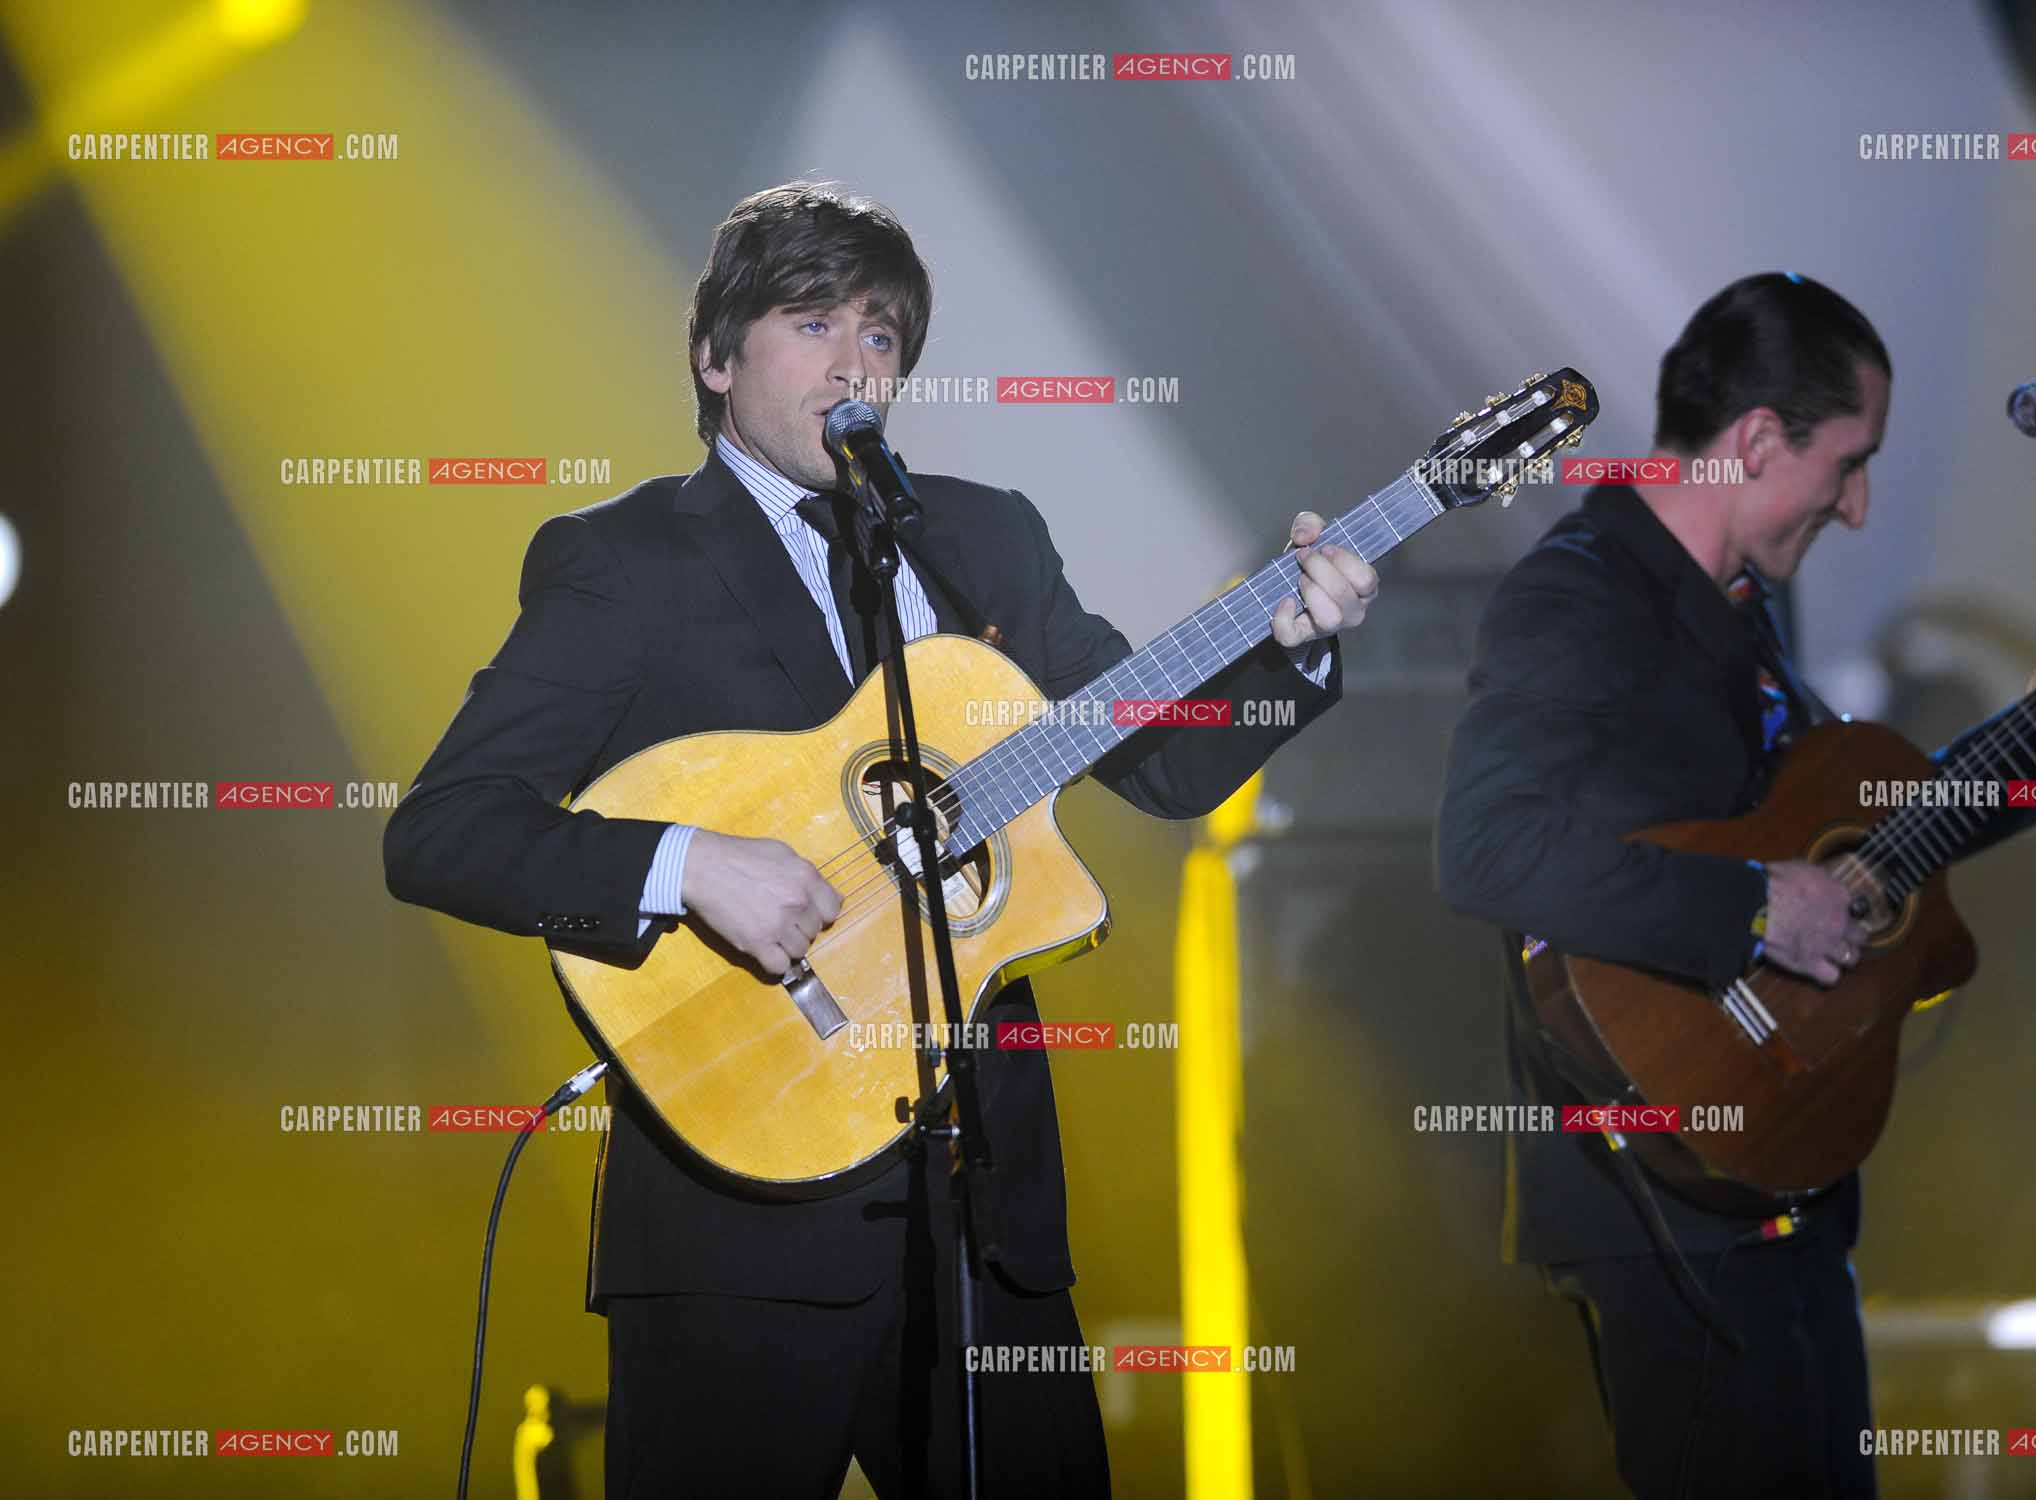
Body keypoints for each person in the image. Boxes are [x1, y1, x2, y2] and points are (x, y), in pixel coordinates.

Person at [383, 181, 1377, 1499]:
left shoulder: (981, 540)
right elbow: (445, 830)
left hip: (982, 1223)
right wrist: (689, 868)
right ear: (716, 355)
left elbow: (1162, 755)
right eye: (812, 323)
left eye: (882, 337)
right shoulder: (625, 563)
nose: (856, 363)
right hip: (736, 1217)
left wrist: (1289, 653)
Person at [1432, 272, 2036, 1498]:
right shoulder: (1579, 595)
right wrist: (1759, 907)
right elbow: (1485, 846)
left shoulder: (1753, 599)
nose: (1860, 506)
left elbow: (1850, 854)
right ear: (1759, 438)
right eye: (1849, 462)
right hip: (1660, 1198)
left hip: (1785, 1175)